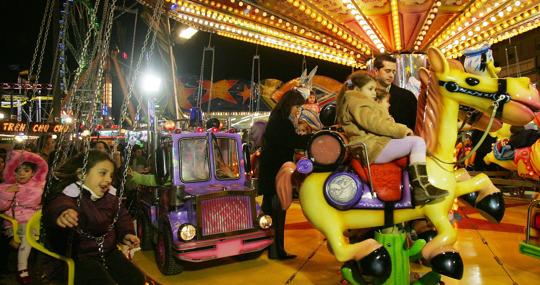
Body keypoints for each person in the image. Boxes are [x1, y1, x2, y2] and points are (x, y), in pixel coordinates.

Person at [336, 71, 448, 205]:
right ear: (356, 89)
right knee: (417, 143)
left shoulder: (354, 101)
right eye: (370, 89)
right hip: (373, 147)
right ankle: (421, 189)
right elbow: (376, 124)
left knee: (416, 143)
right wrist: (402, 131)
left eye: (374, 89)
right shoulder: (358, 102)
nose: (374, 93)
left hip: (373, 144)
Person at [43, 150, 145, 285]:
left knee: (135, 278)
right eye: (102, 173)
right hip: (79, 256)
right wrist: (64, 213)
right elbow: (58, 204)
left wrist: (126, 233)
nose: (108, 179)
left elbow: (122, 217)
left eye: (111, 175)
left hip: (107, 251)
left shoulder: (110, 199)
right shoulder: (69, 195)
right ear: (82, 174)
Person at [259, 89, 311, 260]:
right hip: (277, 176)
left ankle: (269, 248)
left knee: (269, 215)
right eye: (297, 106)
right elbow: (294, 142)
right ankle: (277, 251)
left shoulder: (275, 120)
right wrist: (312, 139)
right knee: (278, 214)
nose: (297, 110)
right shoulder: (283, 123)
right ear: (289, 105)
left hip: (269, 175)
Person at [0, 151, 48, 284]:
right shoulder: (6, 187)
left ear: (33, 173)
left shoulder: (40, 186)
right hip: (17, 223)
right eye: (17, 170)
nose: (21, 174)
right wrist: (8, 194)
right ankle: (22, 269)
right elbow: (2, 207)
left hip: (36, 221)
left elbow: (45, 202)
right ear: (11, 172)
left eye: (26, 170)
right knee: (28, 236)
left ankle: (46, 269)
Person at [372, 54, 418, 130]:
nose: (391, 75)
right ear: (376, 71)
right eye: (387, 71)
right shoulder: (366, 95)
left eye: (393, 72)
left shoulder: (407, 96)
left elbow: (416, 124)